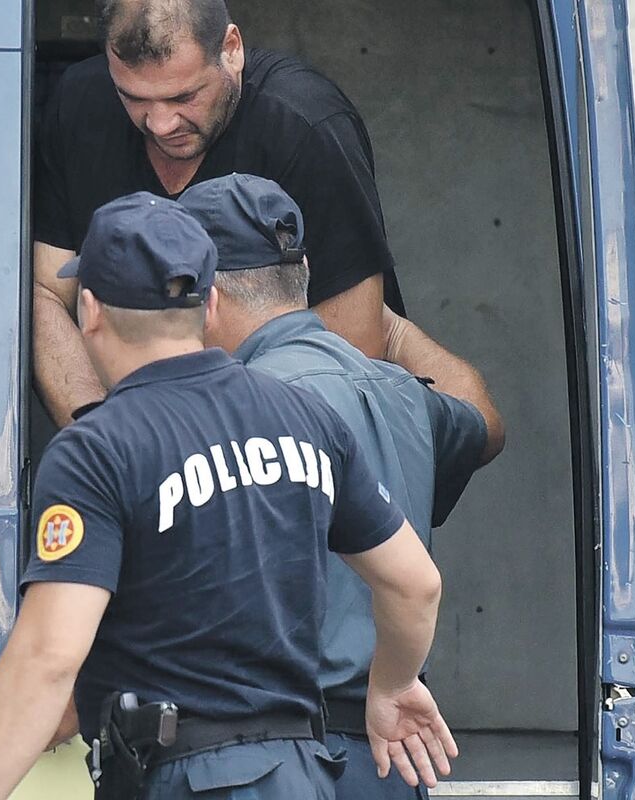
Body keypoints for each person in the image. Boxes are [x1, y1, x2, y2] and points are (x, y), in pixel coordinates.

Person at [0, 192, 457, 800]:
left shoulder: (97, 450)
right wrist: (393, 684)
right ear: (209, 302)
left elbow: (48, 657)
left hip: (186, 777)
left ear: (89, 310)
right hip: (301, 774)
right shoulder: (305, 419)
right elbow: (415, 584)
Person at [179, 173, 504, 800]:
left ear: (205, 295)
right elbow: (486, 424)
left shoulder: (225, 408)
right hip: (388, 756)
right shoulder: (403, 395)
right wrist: (395, 333)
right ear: (300, 275)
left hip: (262, 763)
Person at [34, 0, 407, 428]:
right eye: (133, 98)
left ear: (232, 49)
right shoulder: (79, 103)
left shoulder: (306, 125)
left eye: (183, 97)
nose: (160, 124)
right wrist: (102, 435)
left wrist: (212, 453)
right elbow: (45, 293)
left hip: (295, 438)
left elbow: (352, 349)